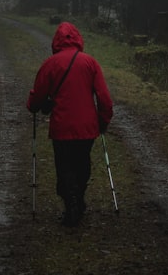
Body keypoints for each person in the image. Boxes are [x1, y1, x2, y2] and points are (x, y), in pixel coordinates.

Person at [27, 21, 113, 227]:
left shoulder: (51, 64)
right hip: (87, 128)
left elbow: (37, 95)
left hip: (62, 127)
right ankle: (78, 197)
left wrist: (34, 106)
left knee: (64, 165)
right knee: (82, 163)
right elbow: (104, 98)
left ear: (56, 41)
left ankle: (71, 202)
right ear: (78, 39)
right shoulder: (90, 63)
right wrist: (103, 120)